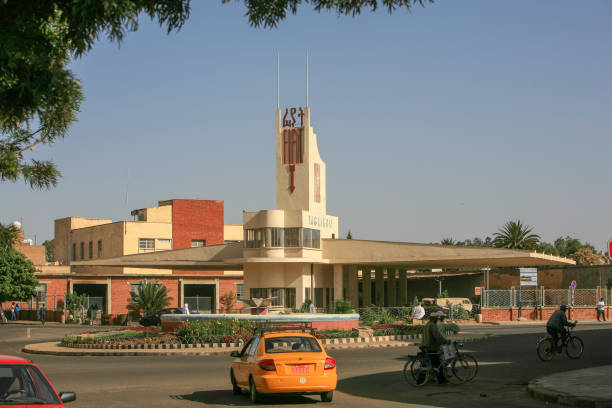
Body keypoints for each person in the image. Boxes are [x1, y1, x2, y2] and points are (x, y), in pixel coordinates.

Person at [422, 314, 451, 384]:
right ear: (434, 318)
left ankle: (430, 378)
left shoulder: (427, 324)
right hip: (431, 346)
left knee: (432, 363)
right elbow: (437, 336)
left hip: (426, 345)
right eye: (436, 318)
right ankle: (441, 380)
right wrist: (445, 341)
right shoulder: (432, 325)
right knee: (438, 364)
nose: (437, 319)